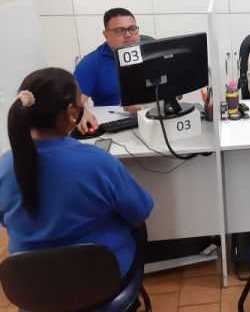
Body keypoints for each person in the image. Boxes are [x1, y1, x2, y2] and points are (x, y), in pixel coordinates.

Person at [0, 67, 154, 277]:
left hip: (32, 284)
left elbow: (5, 221)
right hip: (100, 277)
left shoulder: (4, 165)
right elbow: (139, 212)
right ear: (72, 112)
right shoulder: (99, 162)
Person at [74, 7, 141, 134]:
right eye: (120, 31)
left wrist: (146, 105)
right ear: (106, 34)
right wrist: (82, 112)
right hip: (114, 125)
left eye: (132, 29)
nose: (128, 35)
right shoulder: (91, 63)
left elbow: (174, 91)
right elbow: (74, 102)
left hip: (152, 117)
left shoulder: (152, 53)